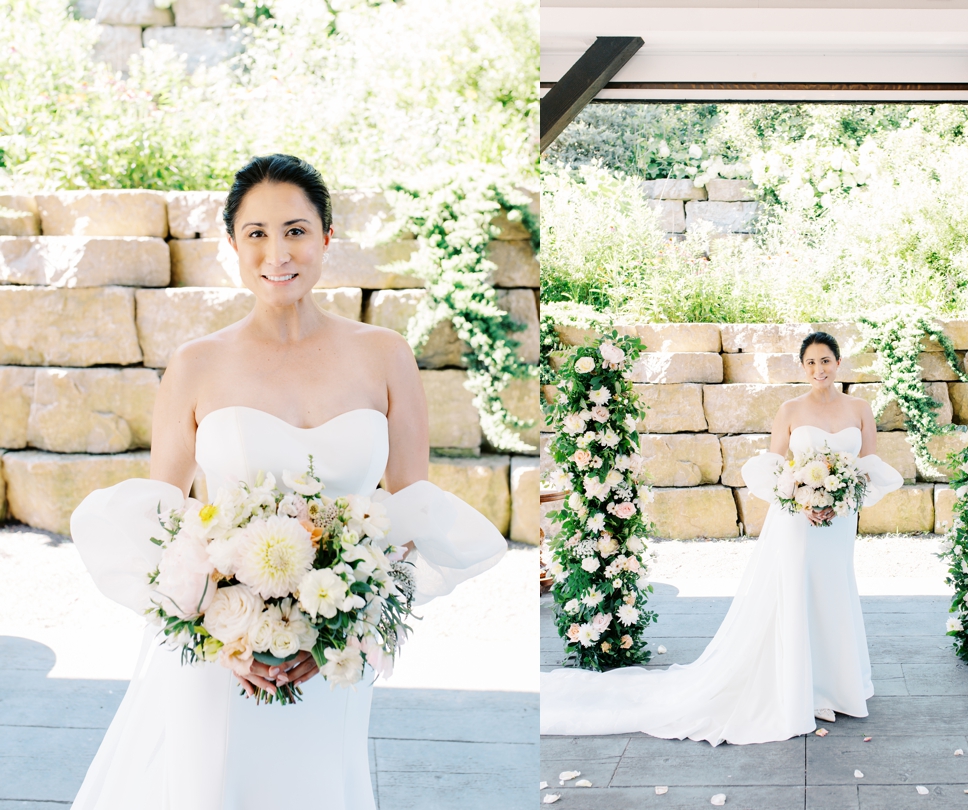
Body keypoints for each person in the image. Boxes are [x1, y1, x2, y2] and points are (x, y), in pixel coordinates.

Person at [69, 154, 508, 809]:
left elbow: (410, 511)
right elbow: (163, 526)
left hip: (332, 655)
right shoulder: (196, 366)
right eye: (256, 233)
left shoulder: (384, 356)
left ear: (328, 238)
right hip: (222, 655)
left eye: (297, 230)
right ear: (232, 246)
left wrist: (350, 623)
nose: (278, 252)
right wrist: (223, 637)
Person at [540, 331, 903, 746]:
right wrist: (803, 501)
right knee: (800, 594)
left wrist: (839, 502)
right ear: (803, 369)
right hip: (799, 520)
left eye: (825, 361)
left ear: (838, 363)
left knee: (834, 593)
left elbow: (867, 466)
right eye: (811, 363)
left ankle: (839, 686)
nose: (819, 369)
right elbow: (775, 469)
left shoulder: (860, 409)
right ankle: (805, 689)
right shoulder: (789, 409)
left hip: (838, 521)